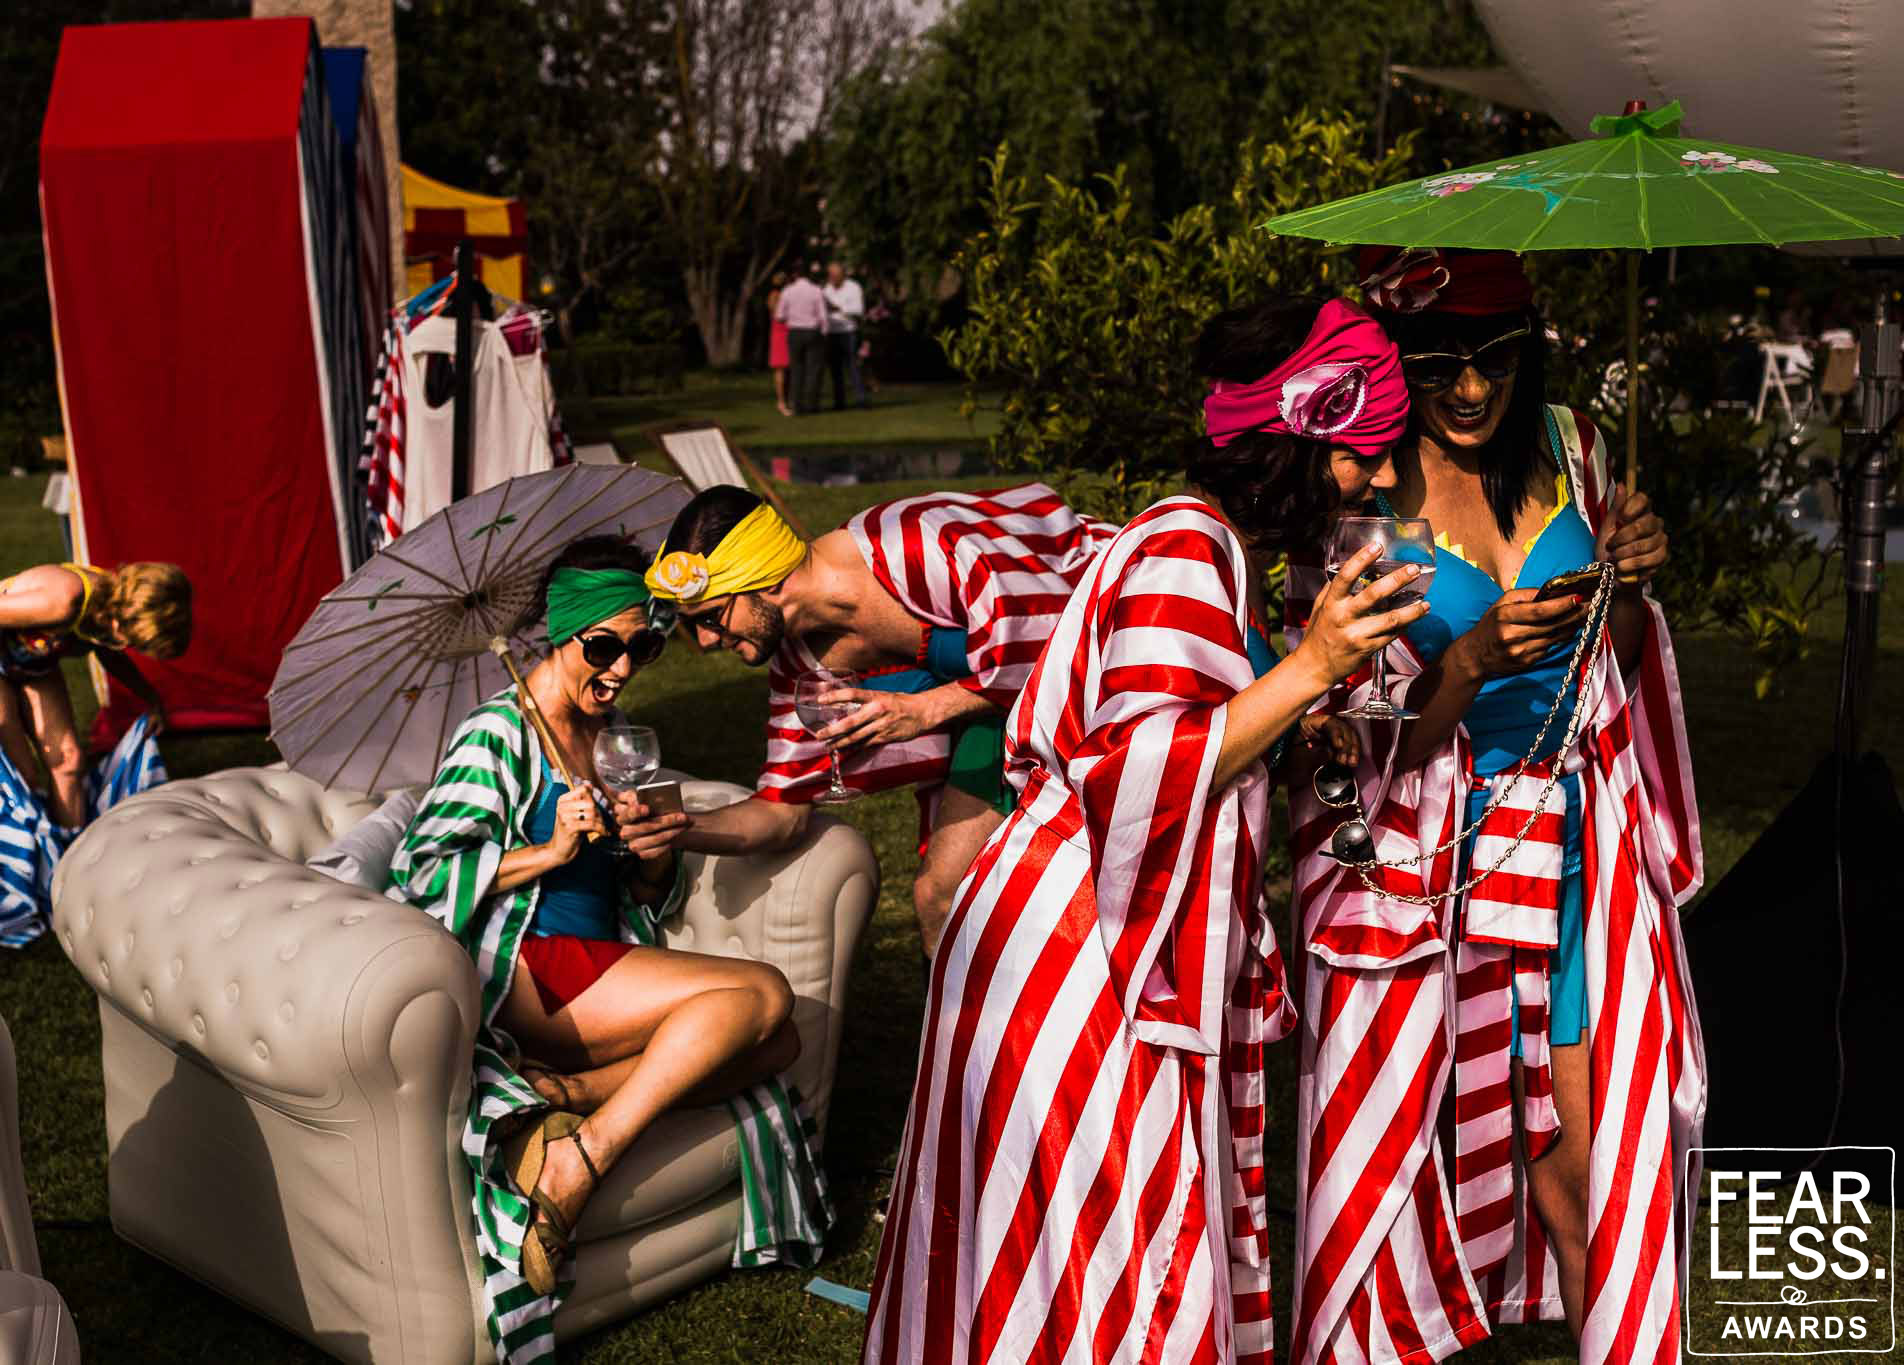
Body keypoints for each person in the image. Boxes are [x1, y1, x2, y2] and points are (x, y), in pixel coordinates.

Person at [863, 295, 1424, 1365]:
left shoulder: (1195, 542)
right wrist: (1311, 668)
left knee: (1067, 1245)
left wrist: (1294, 723)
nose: (1384, 480)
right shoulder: (1184, 544)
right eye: (1366, 453)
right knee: (1105, 1243)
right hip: (1082, 950)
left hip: (1077, 929)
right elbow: (1134, 771)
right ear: (1297, 444)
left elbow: (1185, 740)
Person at [1287, 247, 1703, 1364]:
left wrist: (1631, 578)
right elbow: (1363, 749)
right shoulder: (1366, 487)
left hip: (1572, 850)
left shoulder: (1572, 446)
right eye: (1438, 363)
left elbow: (1599, 664)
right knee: (1414, 1156)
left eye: (1495, 357)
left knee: (1586, 1170)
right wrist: (1464, 661)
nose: (1470, 389)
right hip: (1436, 875)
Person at [389, 536, 829, 1313]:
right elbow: (423, 869)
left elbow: (636, 895)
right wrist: (545, 849)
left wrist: (652, 854)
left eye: (644, 646)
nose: (623, 667)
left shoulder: (615, 733)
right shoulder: (497, 733)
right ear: (566, 631)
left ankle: (573, 1093)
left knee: (783, 1041)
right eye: (605, 645)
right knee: (763, 994)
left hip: (599, 958)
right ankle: (580, 1157)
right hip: (532, 969)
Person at [644, 481, 1116, 956]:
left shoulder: (913, 546)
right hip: (998, 719)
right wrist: (679, 828)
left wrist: (926, 708)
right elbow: (781, 810)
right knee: (938, 896)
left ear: (765, 579)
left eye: (708, 618)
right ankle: (963, 1027)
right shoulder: (800, 664)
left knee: (1086, 886)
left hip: (1111, 668)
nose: (705, 643)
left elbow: (1061, 641)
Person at [0, 560, 190, 828]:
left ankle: (70, 854)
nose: (126, 646)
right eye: (132, 641)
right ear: (120, 622)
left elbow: (108, 653)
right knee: (21, 773)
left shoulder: (113, 606)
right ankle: (30, 859)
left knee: (69, 761)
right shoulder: (64, 599)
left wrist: (150, 698)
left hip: (32, 663)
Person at [776, 267, 829, 415]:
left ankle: (796, 404)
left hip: (795, 332)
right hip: (812, 331)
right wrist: (824, 332)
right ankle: (812, 404)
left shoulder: (788, 291)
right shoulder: (816, 290)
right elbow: (823, 315)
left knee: (796, 369)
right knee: (813, 369)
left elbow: (780, 315)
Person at [822, 261, 867, 410]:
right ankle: (839, 402)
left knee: (853, 367)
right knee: (835, 370)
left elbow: (858, 310)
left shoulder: (853, 287)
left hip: (848, 332)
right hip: (831, 333)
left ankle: (861, 400)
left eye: (835, 274)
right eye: (830, 274)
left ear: (842, 275)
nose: (832, 277)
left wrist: (838, 308)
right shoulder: (826, 288)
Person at [766, 271, 793, 417]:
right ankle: (782, 401)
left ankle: (787, 400)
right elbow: (778, 315)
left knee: (788, 369)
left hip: (787, 331)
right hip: (780, 333)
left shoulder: (784, 296)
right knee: (781, 369)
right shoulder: (775, 296)